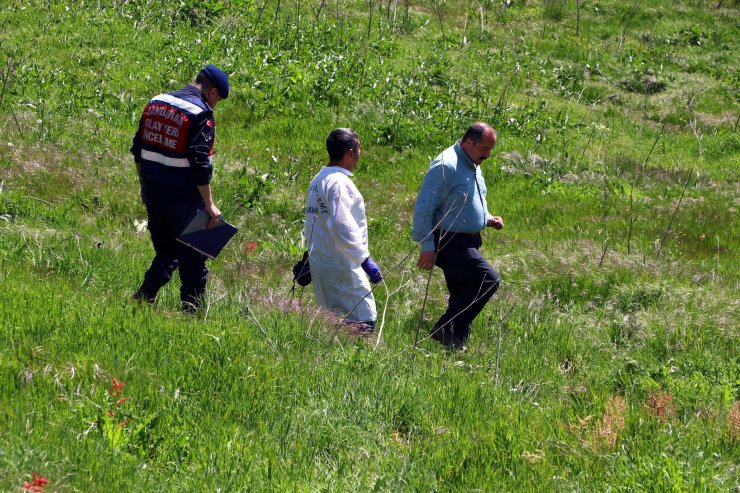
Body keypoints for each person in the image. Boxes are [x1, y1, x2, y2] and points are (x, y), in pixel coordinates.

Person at [130, 64, 230, 312]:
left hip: (154, 191)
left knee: (166, 251)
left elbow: (138, 149)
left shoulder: (156, 102)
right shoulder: (200, 113)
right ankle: (191, 311)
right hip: (183, 196)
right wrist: (209, 204)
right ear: (213, 92)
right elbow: (200, 163)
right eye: (217, 101)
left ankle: (144, 298)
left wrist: (144, 186)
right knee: (195, 254)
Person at [412, 122, 504, 349]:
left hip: (468, 239)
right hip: (449, 241)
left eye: (491, 150)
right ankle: (444, 328)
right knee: (487, 279)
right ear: (469, 142)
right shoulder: (446, 165)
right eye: (485, 149)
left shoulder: (473, 162)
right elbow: (424, 207)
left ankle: (455, 341)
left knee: (462, 291)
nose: (488, 155)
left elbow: (467, 200)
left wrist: (487, 218)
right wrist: (427, 246)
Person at [302, 128, 383, 331]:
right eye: (359, 148)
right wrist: (364, 260)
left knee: (332, 318)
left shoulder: (318, 180)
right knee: (364, 316)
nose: (359, 153)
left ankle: (334, 358)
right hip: (343, 263)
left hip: (321, 260)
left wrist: (307, 256)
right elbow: (341, 223)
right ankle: (355, 359)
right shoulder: (339, 183)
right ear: (350, 152)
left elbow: (314, 221)